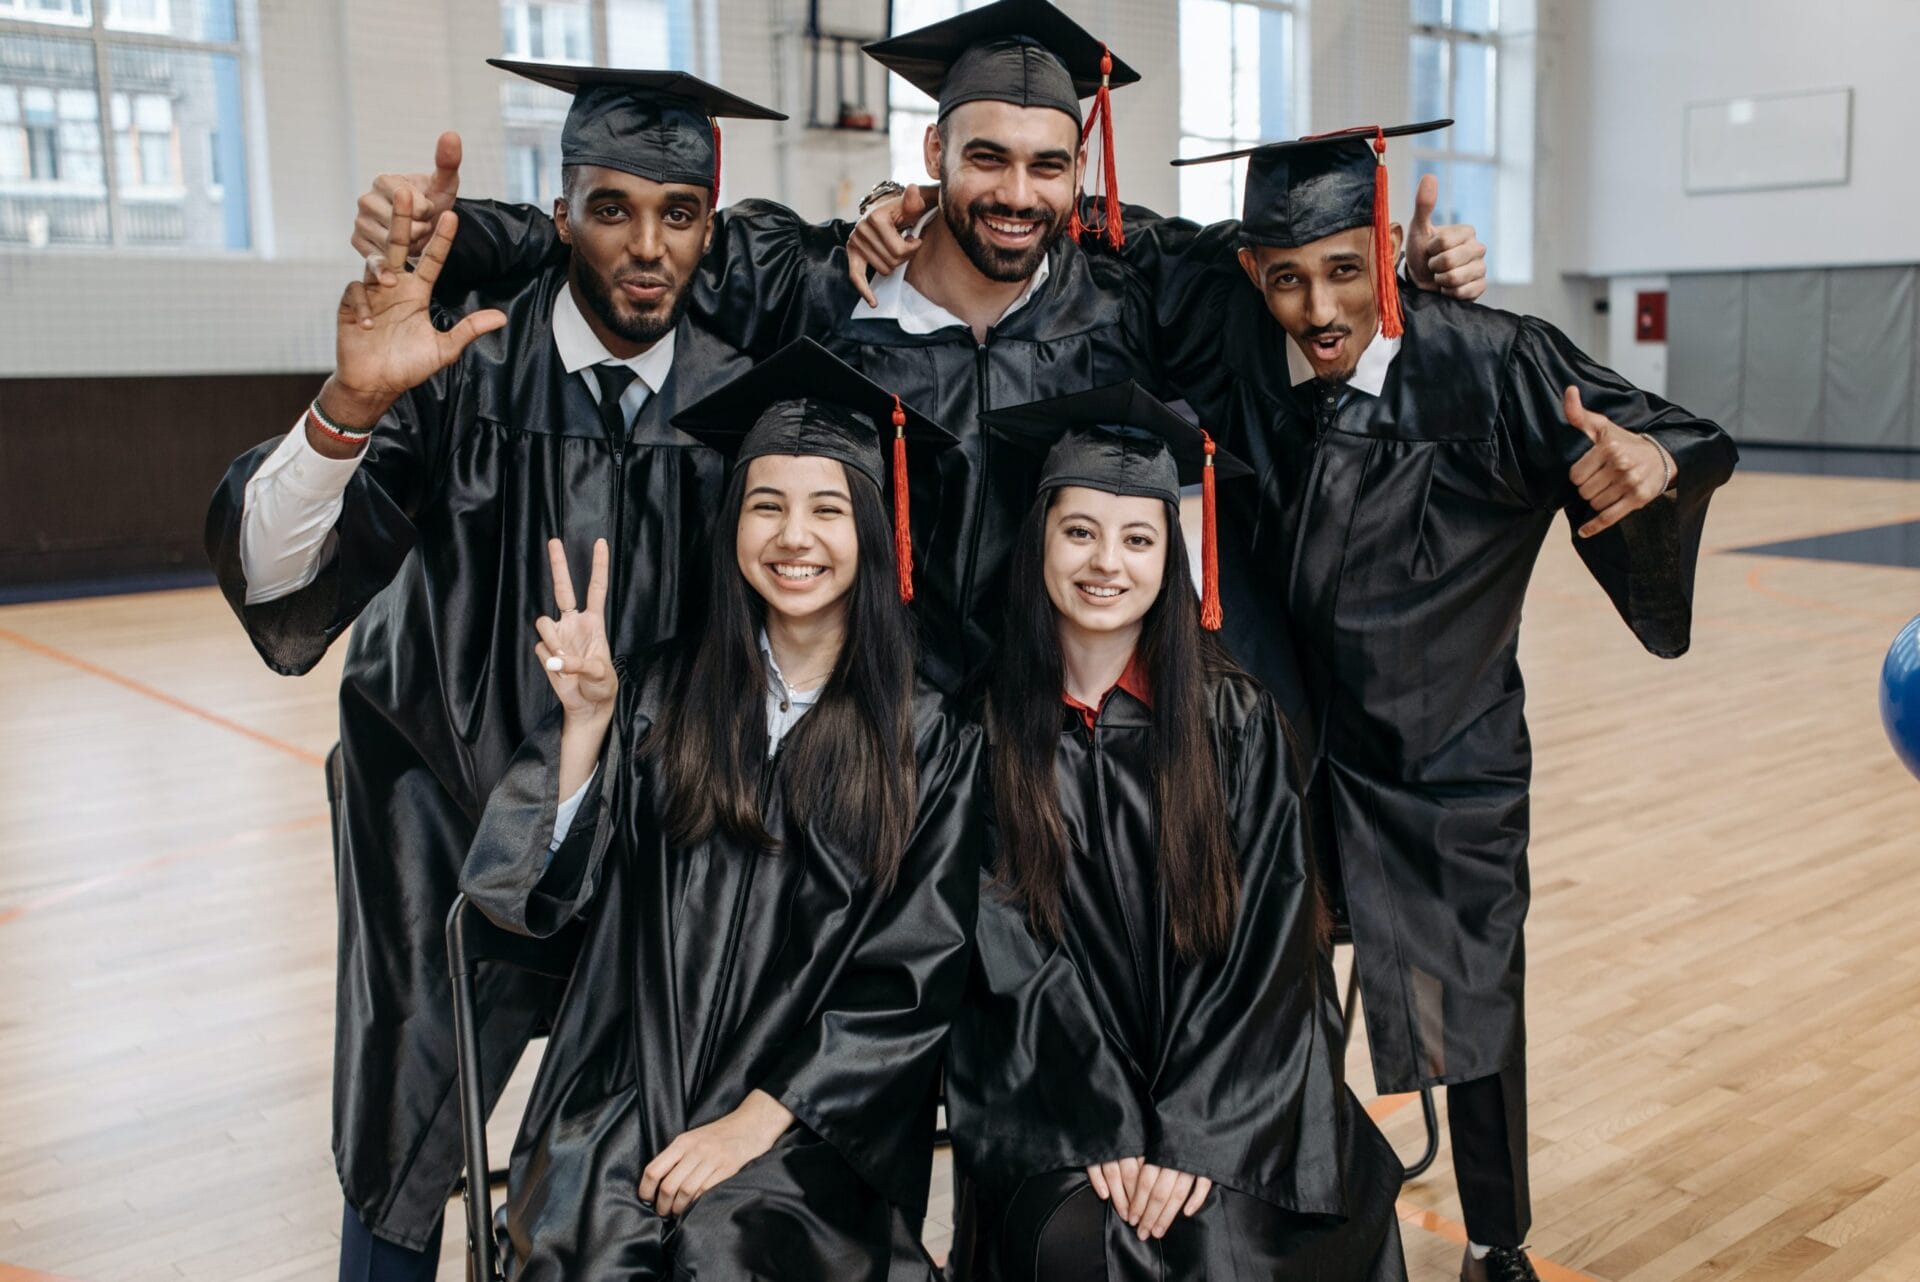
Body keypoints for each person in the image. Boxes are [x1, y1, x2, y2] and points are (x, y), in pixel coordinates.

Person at [354, 0, 1488, 696]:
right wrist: (455, 238)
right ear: (934, 151)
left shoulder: (1133, 293)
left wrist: (1414, 280)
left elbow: (1291, 280)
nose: (1018, 191)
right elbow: (639, 247)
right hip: (885, 717)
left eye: (1050, 165)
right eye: (987, 159)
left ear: (1080, 175)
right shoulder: (824, 284)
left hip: (1066, 709)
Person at [1094, 122, 1736, 1282]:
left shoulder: (1492, 361)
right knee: (1245, 968)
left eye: (1348, 267)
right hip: (1289, 762)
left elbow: (1678, 432)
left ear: (1389, 248)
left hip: (1448, 763)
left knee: (1469, 1009)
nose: (1319, 306)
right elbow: (1123, 242)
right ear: (1252, 274)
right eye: (1286, 278)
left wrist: (1654, 460)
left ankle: (1497, 1239)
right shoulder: (1235, 332)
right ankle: (1272, 1194)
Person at [202, 64, 783, 1280]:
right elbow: (280, 574)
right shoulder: (461, 361)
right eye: (610, 208)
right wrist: (346, 409)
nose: (645, 246)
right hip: (441, 815)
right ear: (560, 210)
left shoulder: (740, 397)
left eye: (677, 215)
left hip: (649, 832)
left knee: (630, 1165)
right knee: (406, 1140)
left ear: (710, 231)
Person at [459, 339, 980, 1280]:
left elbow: (913, 970)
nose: (794, 538)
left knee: (728, 1248)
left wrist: (755, 1120)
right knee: (596, 1253)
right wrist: (585, 726)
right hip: (626, 1096)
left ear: (871, 529)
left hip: (811, 1125)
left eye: (827, 509)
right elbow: (527, 892)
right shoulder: (659, 693)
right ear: (731, 526)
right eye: (766, 506)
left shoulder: (927, 738)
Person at [941, 382, 1407, 1281]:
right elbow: (1001, 953)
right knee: (1101, 1242)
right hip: (1056, 1101)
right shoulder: (982, 732)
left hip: (1235, 1098)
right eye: (1079, 531)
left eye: (1138, 538)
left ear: (1173, 560)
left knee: (1238, 1240)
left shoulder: (1234, 721)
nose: (1105, 562)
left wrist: (1193, 1128)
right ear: (1039, 538)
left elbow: (1274, 948)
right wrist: (1102, 1117)